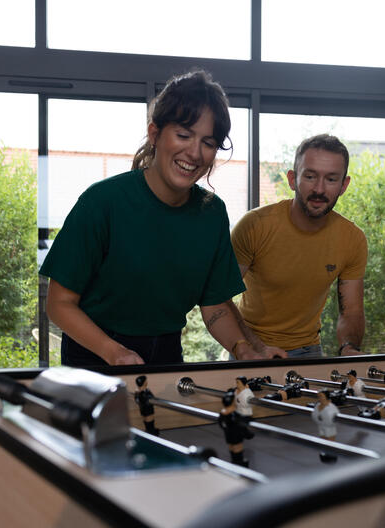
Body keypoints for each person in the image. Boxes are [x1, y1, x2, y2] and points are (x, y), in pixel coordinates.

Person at [40, 70, 267, 366]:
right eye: (184, 135)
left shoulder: (212, 213)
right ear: (155, 133)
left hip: (168, 353)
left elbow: (213, 305)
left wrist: (243, 348)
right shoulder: (102, 202)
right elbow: (59, 305)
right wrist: (114, 352)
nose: (195, 153)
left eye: (208, 143)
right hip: (95, 353)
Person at [229, 134, 368, 358]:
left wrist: (348, 348)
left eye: (331, 179)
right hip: (251, 347)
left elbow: (351, 310)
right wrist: (253, 346)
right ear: (293, 179)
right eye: (311, 176)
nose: (320, 189)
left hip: (309, 350)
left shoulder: (353, 239)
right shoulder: (255, 226)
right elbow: (220, 298)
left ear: (344, 185)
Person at [311, 390, 339, 463]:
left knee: (330, 440)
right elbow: (315, 416)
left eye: (321, 396)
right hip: (322, 425)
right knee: (323, 439)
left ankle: (332, 455)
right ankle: (325, 453)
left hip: (329, 427)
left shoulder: (331, 406)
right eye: (319, 396)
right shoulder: (318, 406)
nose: (319, 398)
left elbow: (334, 417)